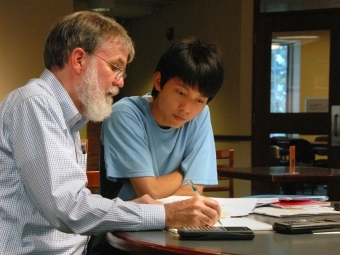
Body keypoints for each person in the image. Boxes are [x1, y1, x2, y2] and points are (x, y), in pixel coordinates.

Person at [0, 11, 221, 255]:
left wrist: (134, 209)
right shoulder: (34, 103)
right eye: (115, 67)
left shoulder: (65, 117)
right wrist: (161, 214)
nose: (120, 82)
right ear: (79, 59)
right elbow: (68, 209)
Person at [100, 38, 224, 201]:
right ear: (159, 82)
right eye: (181, 93)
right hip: (128, 222)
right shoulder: (124, 114)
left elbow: (194, 190)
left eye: (199, 100)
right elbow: (150, 193)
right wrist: (183, 172)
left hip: (175, 222)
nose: (186, 109)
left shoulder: (201, 115)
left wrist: (189, 184)